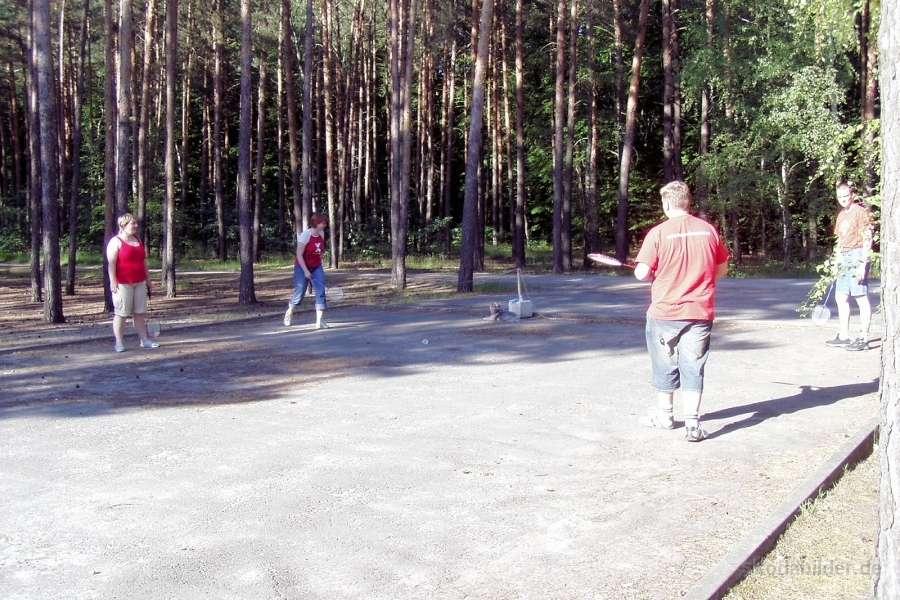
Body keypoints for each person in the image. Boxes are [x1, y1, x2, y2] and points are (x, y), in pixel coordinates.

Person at [633, 181, 730, 442]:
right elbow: (722, 268)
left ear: (667, 204)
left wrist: (649, 272)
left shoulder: (658, 233)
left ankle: (665, 417)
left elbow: (641, 273)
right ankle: (692, 425)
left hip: (665, 313)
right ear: (688, 202)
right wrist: (702, 282)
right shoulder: (708, 230)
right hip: (699, 311)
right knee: (693, 367)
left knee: (664, 364)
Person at [826, 181, 874, 351]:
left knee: (860, 297)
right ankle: (844, 336)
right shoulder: (841, 215)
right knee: (841, 297)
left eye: (846, 196)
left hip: (857, 255)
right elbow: (840, 241)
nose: (843, 199)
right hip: (844, 258)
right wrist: (836, 262)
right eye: (840, 197)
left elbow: (868, 238)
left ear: (852, 195)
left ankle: (863, 338)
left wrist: (862, 264)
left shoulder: (861, 212)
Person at [106, 213, 159, 353]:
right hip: (123, 284)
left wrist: (148, 281)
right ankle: (119, 342)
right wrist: (113, 281)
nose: (136, 226)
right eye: (132, 223)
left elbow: (144, 262)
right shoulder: (115, 242)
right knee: (121, 314)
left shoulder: (138, 240)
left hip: (140, 282)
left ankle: (144, 340)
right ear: (123, 226)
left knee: (140, 313)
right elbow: (111, 264)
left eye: (136, 223)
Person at [283, 214, 330, 329]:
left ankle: (319, 321)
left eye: (325, 223)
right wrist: (305, 271)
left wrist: (321, 258)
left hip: (316, 266)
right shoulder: (305, 236)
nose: (325, 225)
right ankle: (290, 311)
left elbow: (320, 250)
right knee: (300, 292)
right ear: (316, 224)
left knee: (321, 290)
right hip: (302, 266)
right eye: (323, 223)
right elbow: (299, 255)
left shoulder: (322, 233)